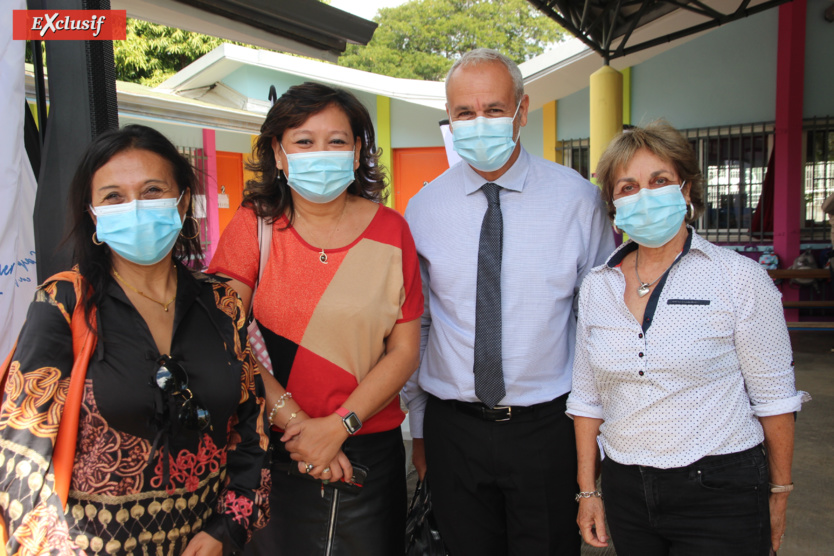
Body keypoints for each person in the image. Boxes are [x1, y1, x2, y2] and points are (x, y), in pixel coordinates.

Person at [0, 124, 270, 555]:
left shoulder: (222, 304)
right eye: (113, 197)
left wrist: (226, 530)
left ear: (182, 202)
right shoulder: (63, 304)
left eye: (151, 191)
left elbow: (252, 431)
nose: (136, 208)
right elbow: (20, 454)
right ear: (93, 214)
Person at [402, 48, 615, 556]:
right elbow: (420, 323)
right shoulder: (423, 208)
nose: (480, 122)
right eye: (464, 113)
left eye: (494, 109)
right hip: (453, 428)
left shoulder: (577, 201)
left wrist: (597, 437)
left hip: (547, 427)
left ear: (522, 111)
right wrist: (419, 428)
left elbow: (600, 322)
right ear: (449, 121)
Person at [567, 121, 811, 556]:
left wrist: (779, 492)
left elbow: (775, 399)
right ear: (613, 204)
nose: (644, 195)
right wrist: (589, 491)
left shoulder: (738, 278)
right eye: (628, 187)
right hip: (627, 489)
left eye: (659, 181)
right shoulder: (596, 287)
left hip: (723, 490)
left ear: (685, 190)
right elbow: (587, 400)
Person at [207, 81, 422, 555]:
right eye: (304, 141)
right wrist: (303, 429)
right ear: (278, 154)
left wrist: (338, 426)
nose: (320, 153)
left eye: (336, 141)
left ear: (358, 149)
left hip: (367, 449)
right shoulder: (252, 225)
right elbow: (224, 335)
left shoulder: (392, 230)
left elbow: (405, 350)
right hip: (272, 450)